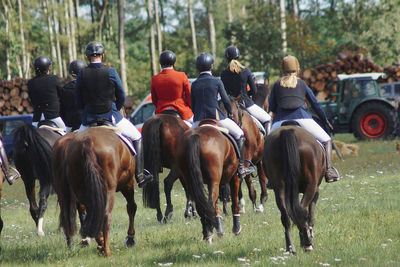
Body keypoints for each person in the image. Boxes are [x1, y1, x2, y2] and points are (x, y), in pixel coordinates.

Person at [75, 41, 152, 188]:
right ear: (102, 56)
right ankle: (140, 175)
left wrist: (86, 110)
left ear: (87, 57)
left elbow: (78, 100)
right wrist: (115, 109)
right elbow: (121, 95)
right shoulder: (110, 71)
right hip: (111, 117)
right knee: (137, 137)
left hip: (88, 120)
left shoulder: (82, 74)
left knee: (73, 146)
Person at [268, 55, 340, 183]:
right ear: (297, 68)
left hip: (280, 120)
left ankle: (270, 175)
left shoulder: (277, 84)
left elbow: (272, 106)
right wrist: (325, 121)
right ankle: (328, 170)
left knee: (267, 144)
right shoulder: (302, 83)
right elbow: (315, 104)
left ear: (282, 68)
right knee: (326, 140)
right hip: (302, 118)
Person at [190, 52, 255, 179]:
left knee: (186, 140)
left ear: (198, 68)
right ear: (212, 66)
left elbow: (193, 105)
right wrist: (230, 112)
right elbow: (225, 100)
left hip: (198, 120)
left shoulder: (194, 84)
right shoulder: (216, 81)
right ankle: (241, 167)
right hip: (216, 118)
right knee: (240, 134)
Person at [221, 46, 272, 134]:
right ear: (238, 57)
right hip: (246, 104)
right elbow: (254, 90)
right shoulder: (246, 71)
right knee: (268, 119)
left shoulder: (223, 74)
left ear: (227, 59)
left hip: (229, 107)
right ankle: (267, 142)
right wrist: (246, 94)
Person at [151, 50, 194, 127]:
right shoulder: (182, 75)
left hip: (161, 110)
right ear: (173, 63)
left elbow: (154, 100)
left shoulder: (155, 79)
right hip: (181, 109)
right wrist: (190, 107)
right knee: (197, 127)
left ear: (160, 64)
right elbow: (189, 95)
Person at [27, 56, 67, 131]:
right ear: (47, 68)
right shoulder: (54, 79)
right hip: (53, 116)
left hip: (37, 119)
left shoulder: (30, 83)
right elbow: (62, 95)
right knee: (66, 134)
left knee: (30, 139)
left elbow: (31, 100)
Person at [60, 60, 86, 132]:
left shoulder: (65, 88)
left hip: (71, 125)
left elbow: (62, 110)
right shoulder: (90, 87)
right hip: (87, 122)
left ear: (72, 74)